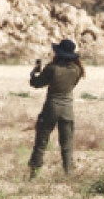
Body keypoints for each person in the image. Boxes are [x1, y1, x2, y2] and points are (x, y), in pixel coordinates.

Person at [27, 38, 85, 179]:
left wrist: (34, 72)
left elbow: (36, 83)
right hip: (67, 110)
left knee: (41, 141)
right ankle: (68, 173)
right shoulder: (77, 70)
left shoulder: (52, 68)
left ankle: (33, 174)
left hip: (51, 108)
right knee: (67, 145)